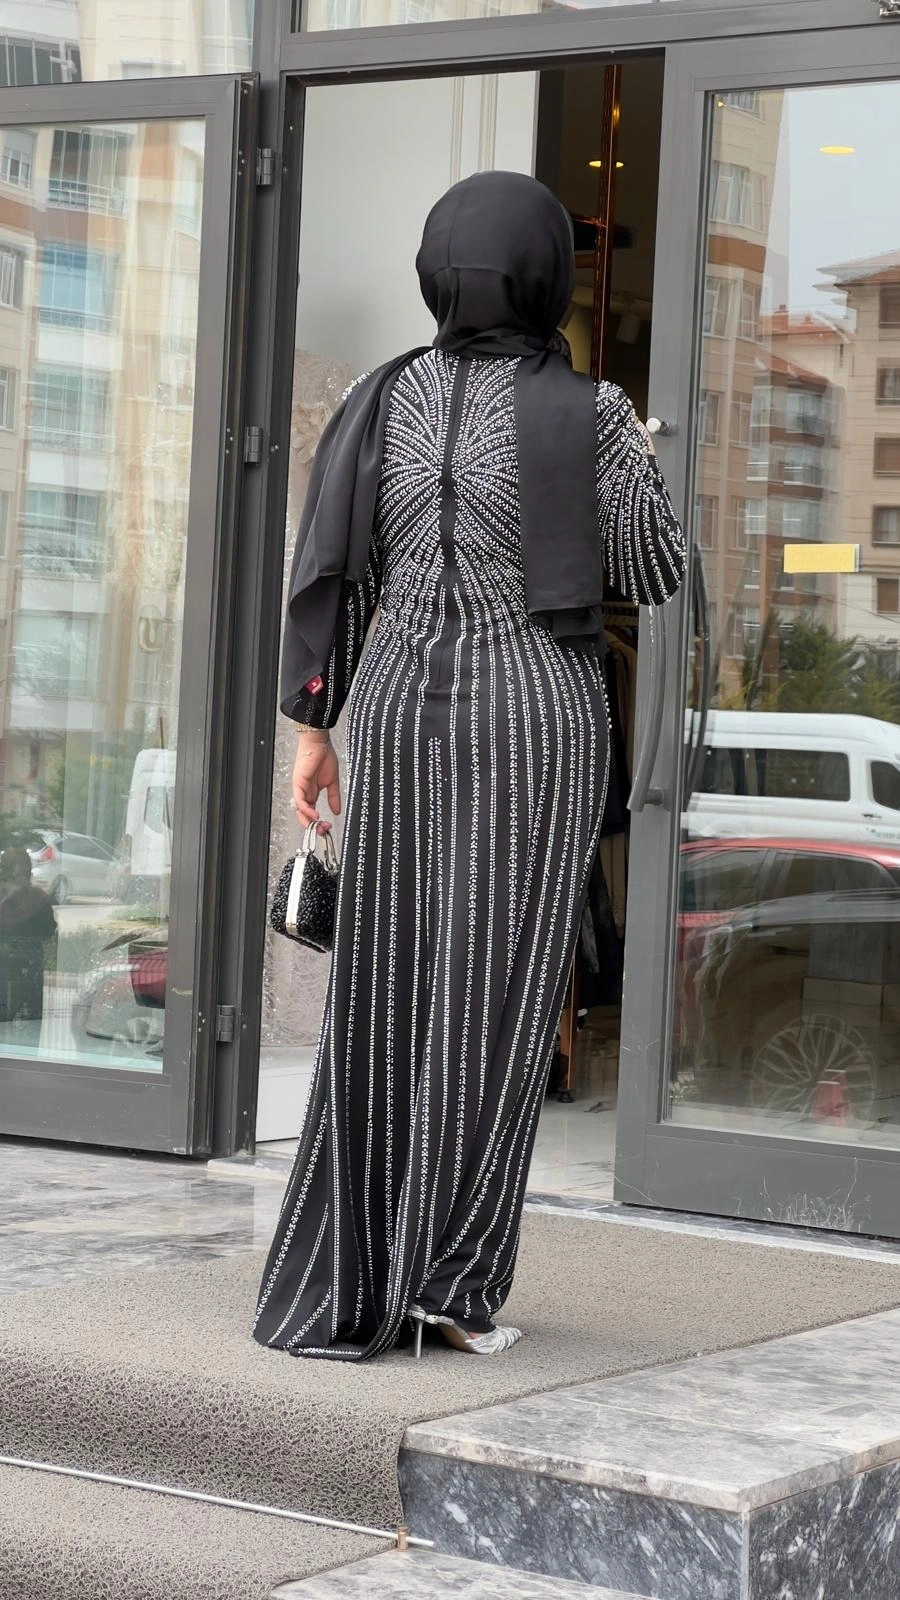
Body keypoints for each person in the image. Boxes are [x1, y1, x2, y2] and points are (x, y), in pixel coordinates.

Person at [254, 171, 685, 1362]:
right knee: (496, 993)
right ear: (546, 275)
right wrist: (637, 449)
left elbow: (332, 572)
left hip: (395, 709)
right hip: (532, 717)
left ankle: (357, 1268)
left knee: (385, 985)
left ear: (438, 271)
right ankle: (450, 1280)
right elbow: (653, 569)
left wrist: (313, 729)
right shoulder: (590, 412)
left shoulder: (378, 398)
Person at [0, 846, 57, 1027]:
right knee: (31, 1019)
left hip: (11, 964)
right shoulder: (38, 897)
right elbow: (49, 930)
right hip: (31, 962)